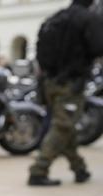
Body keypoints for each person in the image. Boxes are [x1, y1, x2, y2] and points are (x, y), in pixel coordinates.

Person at [28, 0, 103, 186]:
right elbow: (98, 47)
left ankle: (80, 168)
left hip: (49, 81)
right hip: (71, 82)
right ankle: (39, 169)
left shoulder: (57, 17)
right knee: (63, 126)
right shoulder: (88, 18)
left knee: (65, 125)